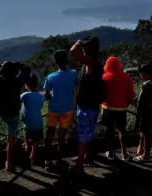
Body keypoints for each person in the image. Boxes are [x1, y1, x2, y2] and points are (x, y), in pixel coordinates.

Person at [0, 61, 31, 172]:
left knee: (8, 136)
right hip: (14, 114)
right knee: (11, 140)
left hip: (3, 113)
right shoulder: (17, 82)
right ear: (15, 72)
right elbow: (27, 70)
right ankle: (9, 163)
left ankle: (7, 162)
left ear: (2, 72)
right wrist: (18, 64)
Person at [70, 36, 105, 174]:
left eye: (84, 48)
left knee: (83, 136)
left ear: (87, 50)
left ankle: (79, 165)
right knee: (87, 134)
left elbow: (72, 52)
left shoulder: (91, 63)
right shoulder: (94, 63)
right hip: (90, 105)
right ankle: (88, 157)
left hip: (87, 106)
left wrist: (78, 42)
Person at [43, 50, 78, 168]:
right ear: (66, 60)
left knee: (50, 134)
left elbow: (46, 95)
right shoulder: (73, 74)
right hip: (67, 109)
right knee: (62, 135)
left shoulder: (51, 77)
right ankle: (59, 158)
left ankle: (47, 159)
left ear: (55, 62)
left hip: (53, 108)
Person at [101, 56, 135, 161]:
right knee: (122, 130)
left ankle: (110, 153)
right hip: (121, 108)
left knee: (109, 131)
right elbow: (131, 93)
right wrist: (127, 103)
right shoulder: (126, 77)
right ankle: (124, 153)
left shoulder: (104, 77)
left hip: (107, 108)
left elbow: (100, 92)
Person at [135, 62, 152, 162]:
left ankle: (146, 155)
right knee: (145, 130)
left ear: (144, 73)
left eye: (141, 74)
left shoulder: (147, 85)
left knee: (146, 132)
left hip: (145, 111)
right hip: (150, 111)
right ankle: (141, 148)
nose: (140, 76)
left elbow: (147, 101)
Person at [21, 74, 45, 165]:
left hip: (28, 123)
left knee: (25, 130)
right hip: (38, 122)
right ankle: (32, 156)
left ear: (26, 85)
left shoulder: (25, 95)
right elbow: (41, 105)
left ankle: (26, 144)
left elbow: (19, 99)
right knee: (35, 141)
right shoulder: (40, 95)